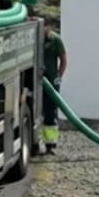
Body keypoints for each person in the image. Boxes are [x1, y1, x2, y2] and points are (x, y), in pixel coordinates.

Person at [41, 26, 67, 154]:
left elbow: (64, 60)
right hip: (37, 83)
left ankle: (50, 144)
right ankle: (37, 142)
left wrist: (59, 77)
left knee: (50, 113)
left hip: (51, 83)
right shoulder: (34, 38)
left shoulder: (55, 40)